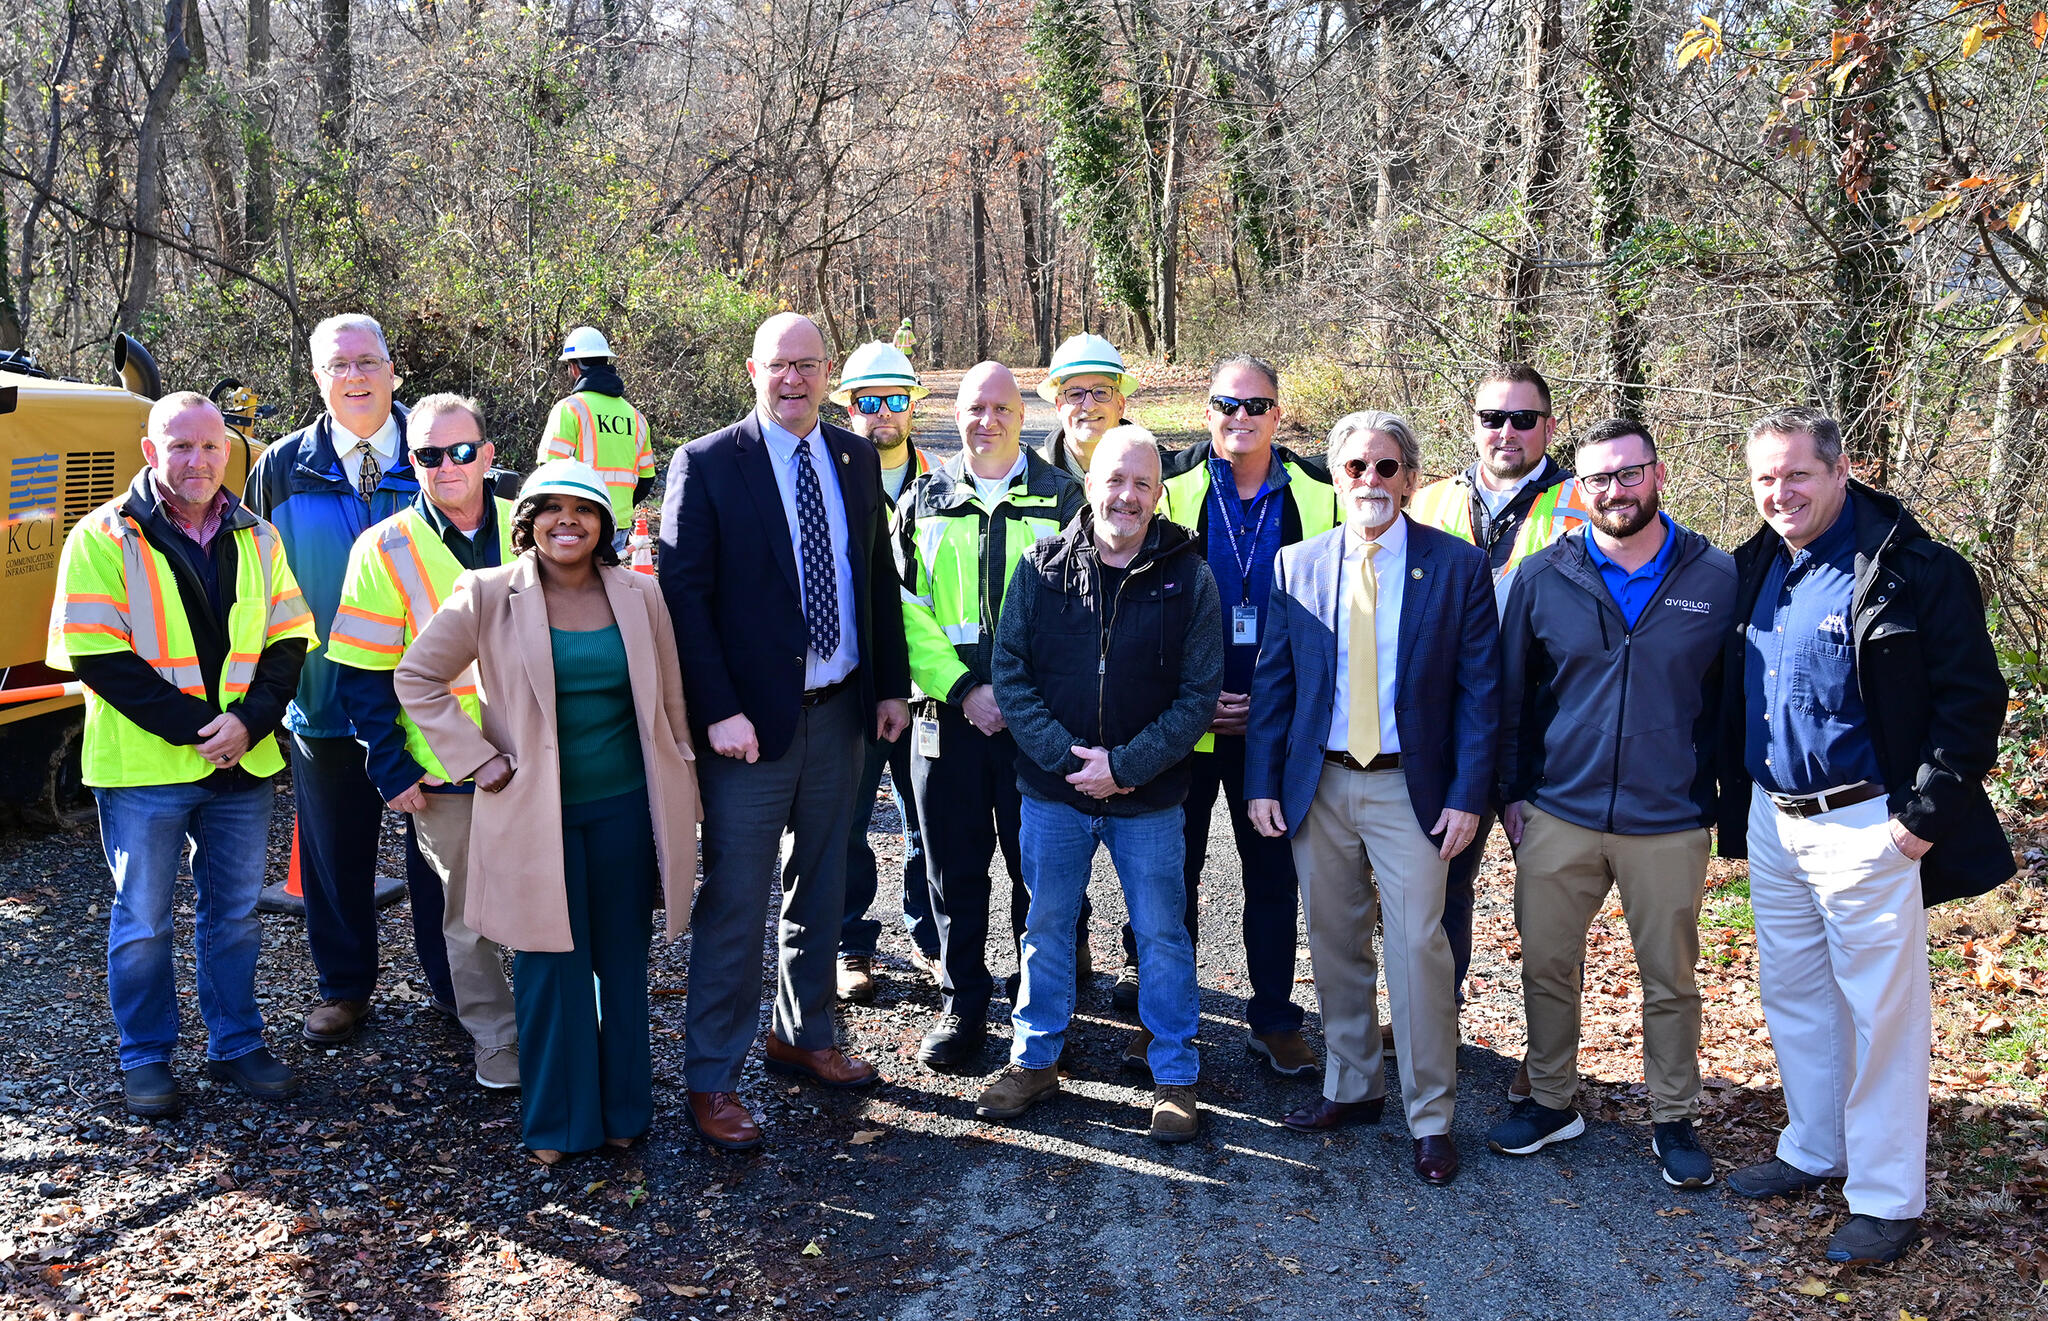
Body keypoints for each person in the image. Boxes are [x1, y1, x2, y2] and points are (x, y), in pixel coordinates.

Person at [1715, 407, 2012, 1265]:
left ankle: (1886, 1196)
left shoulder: (1912, 568)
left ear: (1841, 470)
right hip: (1776, 817)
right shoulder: (1757, 564)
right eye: (1765, 477)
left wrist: (1920, 824)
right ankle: (1816, 1146)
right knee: (1797, 995)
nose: (1780, 492)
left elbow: (1971, 703)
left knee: (1883, 1015)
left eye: (1797, 474)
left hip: (1867, 823)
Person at [395, 459, 702, 1163]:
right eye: (552, 509)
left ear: (603, 525)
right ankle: (560, 1125)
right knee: (548, 966)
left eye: (584, 509)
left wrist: (688, 790)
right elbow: (416, 676)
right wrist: (477, 757)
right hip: (535, 816)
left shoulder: (639, 595)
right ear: (527, 522)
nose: (569, 521)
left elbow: (672, 704)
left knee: (622, 963)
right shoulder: (487, 592)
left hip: (625, 809)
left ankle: (625, 1111)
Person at [658, 312, 912, 1152]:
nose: (794, 380)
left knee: (825, 879)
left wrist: (886, 686)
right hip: (748, 730)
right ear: (752, 369)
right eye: (778, 365)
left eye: (807, 364)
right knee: (735, 899)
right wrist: (717, 708)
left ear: (828, 370)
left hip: (841, 710)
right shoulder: (706, 463)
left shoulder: (852, 455)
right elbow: (682, 600)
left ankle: (803, 1035)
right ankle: (712, 1078)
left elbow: (874, 575)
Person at [1244, 410, 1499, 1187]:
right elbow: (1275, 684)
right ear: (1337, 476)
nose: (1371, 481)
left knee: (1419, 948)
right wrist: (1260, 779)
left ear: (1411, 478)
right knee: (1333, 938)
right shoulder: (1297, 565)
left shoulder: (1456, 566)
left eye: (1387, 467)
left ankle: (1431, 1116)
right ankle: (1351, 1086)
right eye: (1355, 467)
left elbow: (1480, 694)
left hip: (1410, 788)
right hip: (1318, 783)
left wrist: (1468, 795)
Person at [47, 393, 316, 1116]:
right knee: (143, 920)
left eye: (209, 446)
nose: (197, 460)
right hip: (146, 769)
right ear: (150, 451)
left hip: (241, 763)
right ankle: (146, 1057)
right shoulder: (104, 536)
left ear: (227, 452)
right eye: (180, 446)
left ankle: (236, 1044)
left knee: (234, 916)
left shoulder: (258, 535)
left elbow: (290, 639)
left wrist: (251, 723)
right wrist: (210, 727)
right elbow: (99, 656)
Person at [1483, 419, 1735, 1189]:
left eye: (1629, 475)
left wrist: (1718, 796)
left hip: (1670, 817)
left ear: (1658, 474)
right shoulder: (1543, 574)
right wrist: (1511, 791)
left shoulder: (1717, 575)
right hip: (1560, 809)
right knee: (1549, 966)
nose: (1615, 491)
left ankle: (1672, 1115)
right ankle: (1554, 1099)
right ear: (1577, 489)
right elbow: (1512, 695)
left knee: (1671, 976)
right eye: (1597, 479)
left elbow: (1733, 699)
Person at [977, 425, 1223, 1143]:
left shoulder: (1189, 574)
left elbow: (1198, 692)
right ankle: (1035, 1059)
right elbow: (1011, 673)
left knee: (1161, 935)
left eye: (1142, 484)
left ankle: (1175, 1073)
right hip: (1053, 793)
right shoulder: (1040, 565)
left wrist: (1125, 766)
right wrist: (1067, 757)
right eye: (1115, 480)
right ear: (1089, 484)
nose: (1127, 496)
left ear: (1159, 493)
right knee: (1047, 925)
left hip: (1147, 798)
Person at [245, 313, 455, 1046]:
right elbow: (257, 584)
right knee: (335, 857)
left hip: (434, 700)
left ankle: (455, 984)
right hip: (326, 696)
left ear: (394, 369)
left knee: (439, 854)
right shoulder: (278, 467)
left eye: (368, 361)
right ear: (316, 378)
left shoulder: (437, 450)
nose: (356, 376)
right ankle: (344, 987)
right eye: (338, 365)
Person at [1138, 353, 1335, 1077]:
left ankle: (1275, 1018)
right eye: (1228, 403)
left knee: (1273, 876)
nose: (1241, 418)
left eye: (1257, 405)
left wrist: (1283, 703)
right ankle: (1160, 1016)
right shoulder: (1170, 481)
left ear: (1279, 414)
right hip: (1180, 724)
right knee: (1167, 875)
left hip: (1273, 727)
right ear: (1207, 408)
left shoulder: (1320, 489)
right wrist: (1190, 701)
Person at [327, 394, 521, 1091]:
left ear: (488, 454)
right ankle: (497, 1043)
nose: (448, 466)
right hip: (444, 770)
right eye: (431, 455)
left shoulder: (528, 526)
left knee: (550, 899)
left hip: (540, 758)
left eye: (462, 451)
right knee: (467, 918)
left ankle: (557, 1028)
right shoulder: (384, 548)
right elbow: (361, 672)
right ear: (413, 462)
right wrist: (390, 763)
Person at [1408, 362, 1591, 1094]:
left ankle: (1548, 1061)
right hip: (1450, 734)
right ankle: (1435, 1022)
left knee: (1548, 910)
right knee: (1437, 889)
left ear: (1550, 426)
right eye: (1493, 418)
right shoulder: (1427, 500)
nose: (1506, 432)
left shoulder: (1587, 500)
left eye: (1523, 419)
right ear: (1472, 424)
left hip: (1549, 736)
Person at [895, 362, 1082, 1067]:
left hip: (1037, 726)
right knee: (952, 867)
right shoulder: (923, 499)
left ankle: (1044, 1007)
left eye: (1000, 407)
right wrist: (966, 688)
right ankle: (962, 999)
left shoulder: (1063, 500)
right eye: (974, 408)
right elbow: (904, 611)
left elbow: (1079, 612)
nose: (987, 421)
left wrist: (1018, 698)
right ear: (956, 413)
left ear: (1022, 416)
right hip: (948, 719)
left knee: (1041, 872)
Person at [828, 342, 940, 1001]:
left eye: (895, 400)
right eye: (867, 402)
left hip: (925, 685)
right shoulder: (826, 478)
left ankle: (929, 940)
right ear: (848, 407)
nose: (881, 414)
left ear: (913, 406)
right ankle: (850, 943)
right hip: (858, 681)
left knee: (927, 814)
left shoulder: (941, 482)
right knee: (844, 817)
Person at [538, 326, 655, 538]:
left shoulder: (569, 409)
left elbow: (548, 474)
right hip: (619, 524)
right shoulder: (637, 417)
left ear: (574, 368)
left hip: (581, 527)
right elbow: (646, 480)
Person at [1035, 333, 1139, 480]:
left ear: (1120, 404)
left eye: (1101, 392)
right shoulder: (1033, 473)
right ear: (1059, 406)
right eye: (1075, 394)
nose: (1089, 406)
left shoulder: (1157, 472)